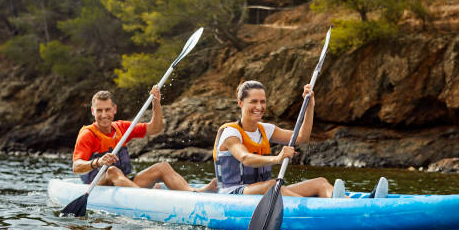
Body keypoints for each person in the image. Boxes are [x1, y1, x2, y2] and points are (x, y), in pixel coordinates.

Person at [72, 86, 217, 193]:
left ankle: (194, 193)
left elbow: (155, 128)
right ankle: (147, 198)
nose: (104, 115)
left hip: (124, 184)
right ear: (93, 111)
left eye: (107, 110)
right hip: (96, 186)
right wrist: (99, 161)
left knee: (163, 167)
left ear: (114, 109)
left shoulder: (123, 128)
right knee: (112, 171)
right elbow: (76, 166)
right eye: (99, 110)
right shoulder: (87, 134)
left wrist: (156, 104)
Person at [213, 80, 341, 197]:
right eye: (253, 101)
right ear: (240, 103)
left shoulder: (266, 129)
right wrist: (277, 158)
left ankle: (340, 205)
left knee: (320, 183)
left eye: (262, 101)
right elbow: (245, 158)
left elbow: (302, 138)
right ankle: (317, 211)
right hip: (233, 193)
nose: (259, 107)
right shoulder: (230, 132)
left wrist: (309, 106)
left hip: (265, 191)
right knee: (273, 185)